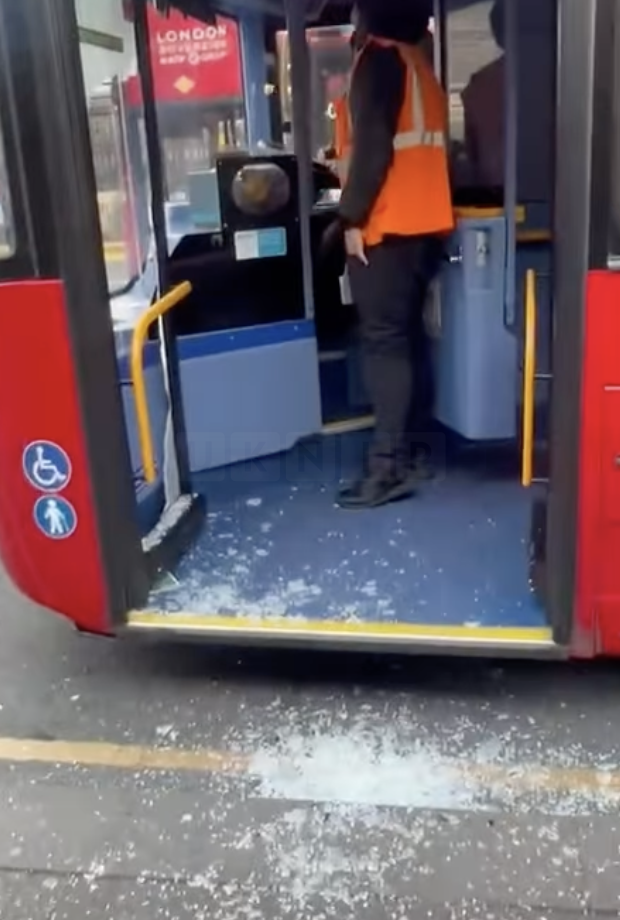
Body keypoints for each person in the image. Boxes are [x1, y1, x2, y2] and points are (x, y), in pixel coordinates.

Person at [332, 1, 454, 509]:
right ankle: (415, 452)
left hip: (389, 222)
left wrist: (352, 218)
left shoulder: (378, 61)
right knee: (409, 340)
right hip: (428, 223)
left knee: (383, 343)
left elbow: (375, 145)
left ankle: (386, 470)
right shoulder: (418, 62)